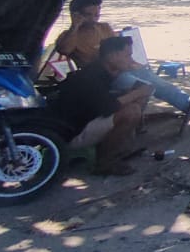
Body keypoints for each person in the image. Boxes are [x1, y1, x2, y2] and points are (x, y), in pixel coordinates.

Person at [54, 0, 190, 127]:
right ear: (76, 15)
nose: (94, 19)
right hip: (102, 79)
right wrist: (75, 26)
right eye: (88, 15)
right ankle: (135, 123)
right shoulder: (69, 36)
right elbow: (64, 50)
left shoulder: (104, 28)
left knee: (163, 85)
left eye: (96, 14)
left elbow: (120, 51)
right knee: (147, 85)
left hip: (123, 69)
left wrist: (135, 64)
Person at [51, 36, 153, 175]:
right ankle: (105, 163)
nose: (130, 59)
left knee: (135, 96)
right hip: (73, 133)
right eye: (127, 55)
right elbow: (108, 107)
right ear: (111, 56)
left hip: (84, 121)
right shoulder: (91, 76)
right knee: (131, 111)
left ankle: (121, 147)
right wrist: (138, 93)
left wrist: (136, 89)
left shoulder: (103, 70)